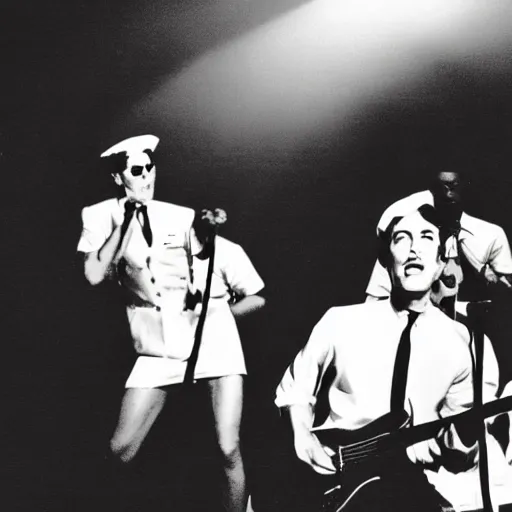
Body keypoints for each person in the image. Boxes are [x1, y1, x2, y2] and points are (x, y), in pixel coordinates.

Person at [76, 134, 265, 512]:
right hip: (157, 345)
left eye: (151, 168)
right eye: (136, 171)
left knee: (227, 447)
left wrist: (216, 305)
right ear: (118, 177)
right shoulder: (97, 215)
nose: (146, 177)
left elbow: (208, 269)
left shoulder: (179, 216)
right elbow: (95, 274)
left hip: (209, 339)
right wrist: (126, 219)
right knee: (120, 449)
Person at [275, 204, 499, 512]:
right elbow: (295, 390)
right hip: (333, 480)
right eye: (401, 238)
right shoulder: (340, 321)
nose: (413, 250)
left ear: (441, 258)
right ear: (385, 258)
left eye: (426, 238)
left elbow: (460, 453)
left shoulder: (464, 342)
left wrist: (462, 439)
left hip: (409, 484)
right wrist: (302, 434)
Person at [365, 171, 512, 308]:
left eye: (454, 186)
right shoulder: (402, 219)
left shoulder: (490, 236)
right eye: (442, 187)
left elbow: (505, 300)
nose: (448, 192)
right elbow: (375, 302)